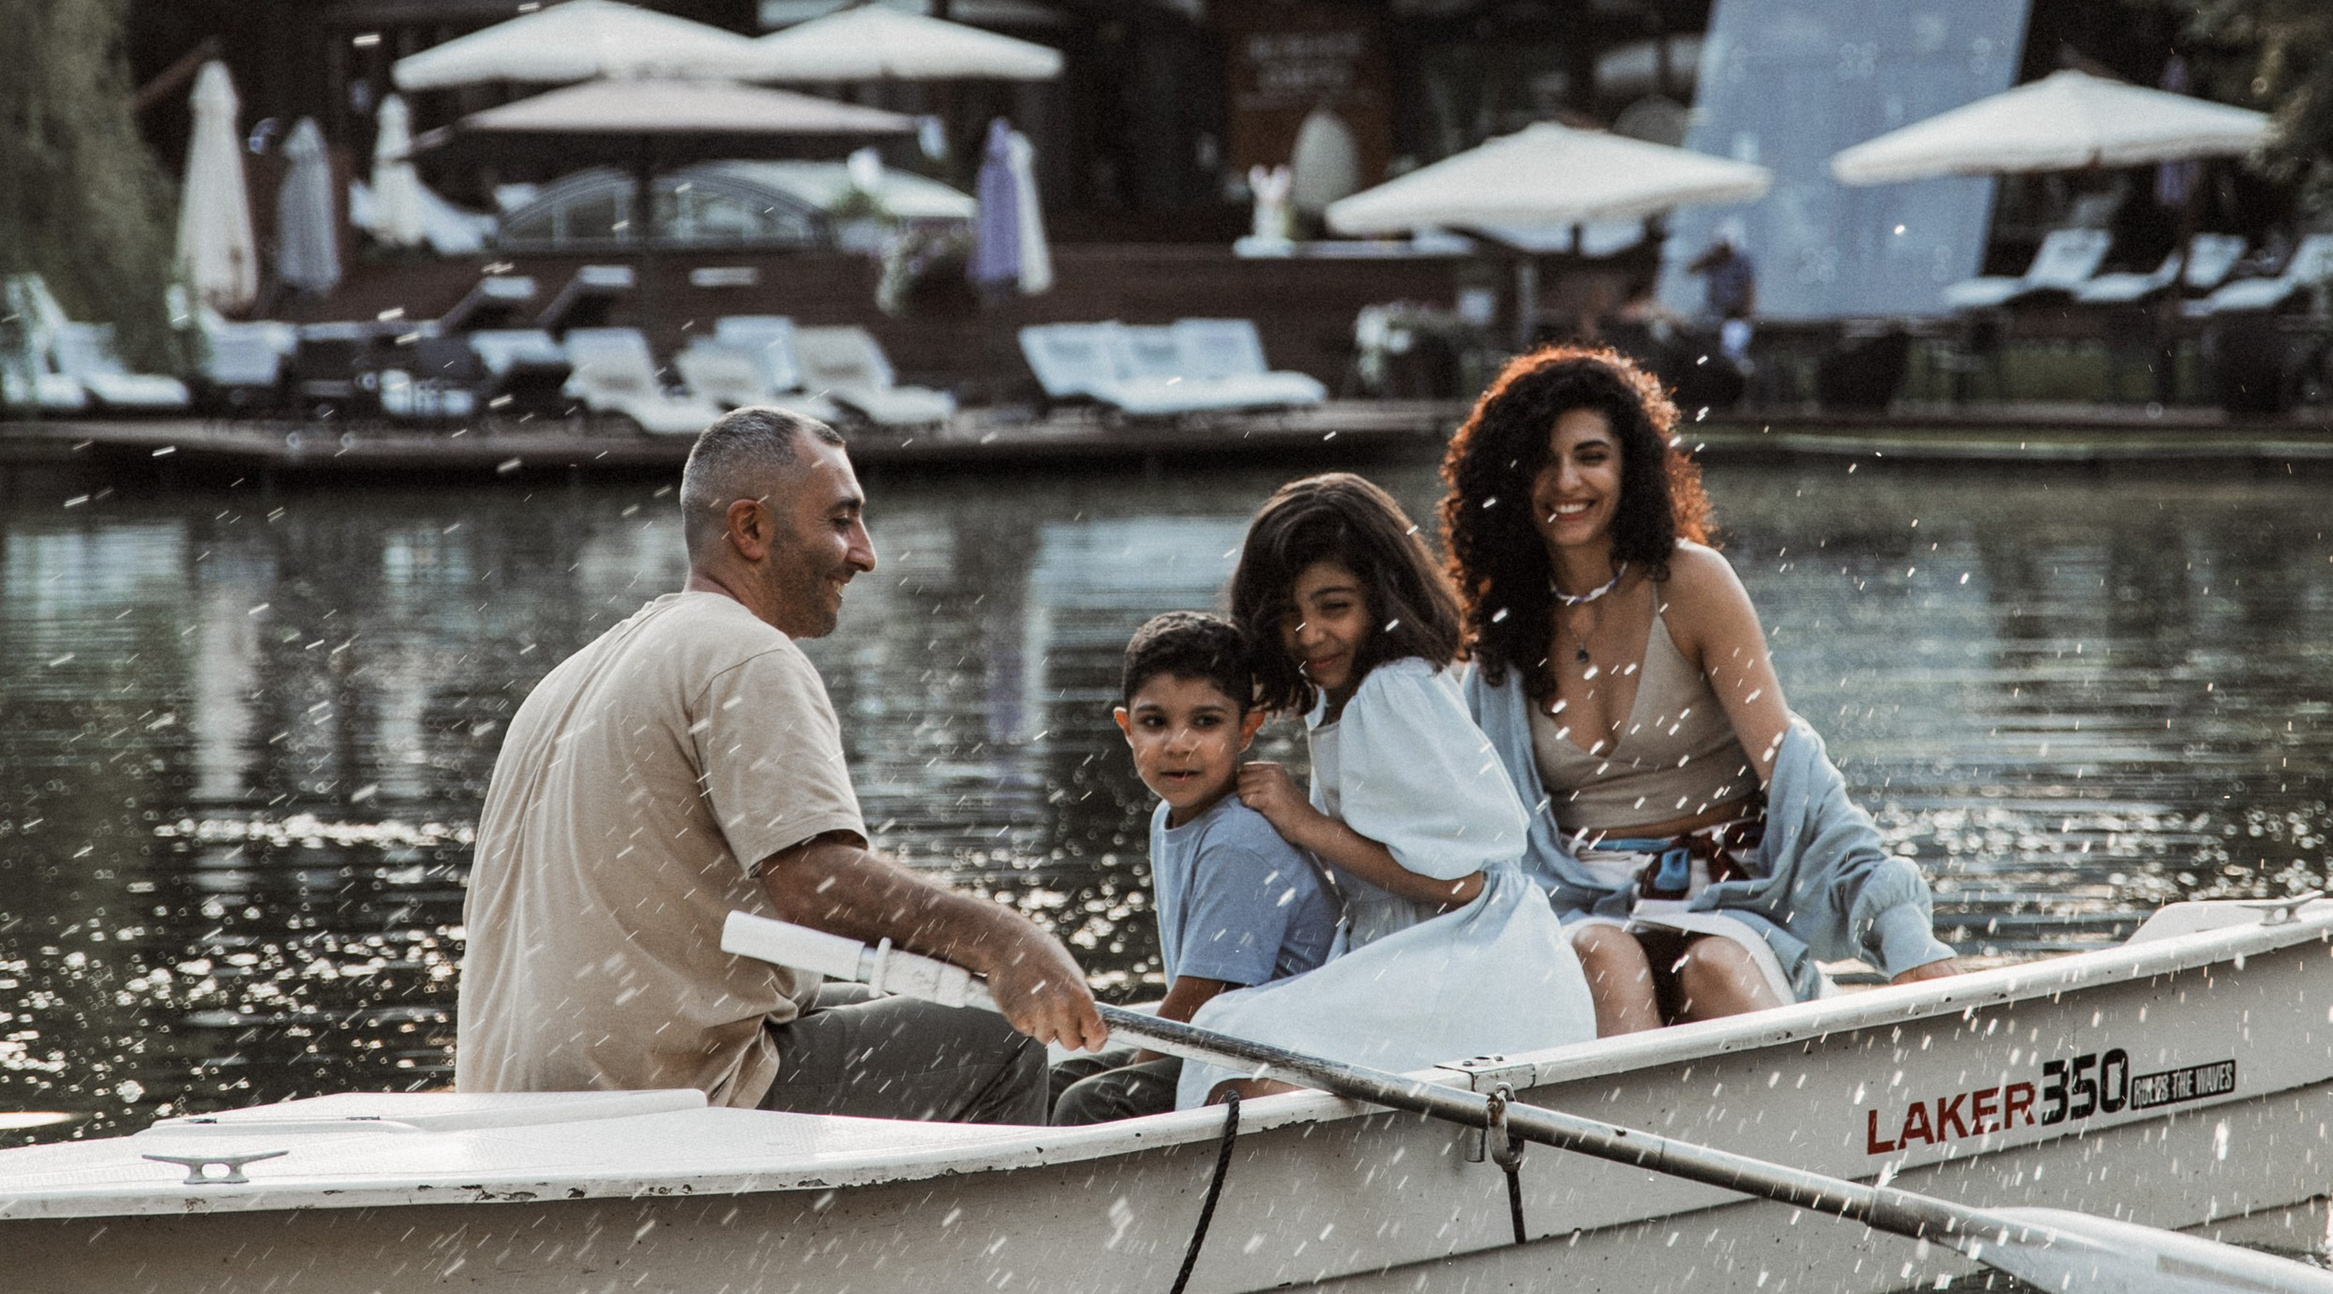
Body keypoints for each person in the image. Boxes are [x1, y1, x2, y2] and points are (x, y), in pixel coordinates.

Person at [457, 405, 1102, 1119]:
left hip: (517, 1100)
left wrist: (971, 959)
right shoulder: (746, 654)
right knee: (998, 1037)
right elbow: (815, 886)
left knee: (934, 989)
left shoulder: (574, 674)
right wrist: (1007, 940)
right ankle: (989, 1229)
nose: (865, 553)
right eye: (840, 520)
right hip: (659, 1104)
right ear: (751, 530)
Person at [1442, 347, 1956, 1037]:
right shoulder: (1499, 628)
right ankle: (1627, 1143)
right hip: (1579, 914)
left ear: (1631, 466)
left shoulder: (1691, 585)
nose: (1565, 481)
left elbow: (1799, 779)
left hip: (1729, 905)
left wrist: (1902, 934)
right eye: (1541, 459)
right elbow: (1482, 833)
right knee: (1604, 959)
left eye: (1591, 455)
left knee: (1709, 971)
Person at [1170, 473, 1591, 1096]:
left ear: (1384, 598)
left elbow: (1461, 881)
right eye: (1288, 615)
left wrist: (1306, 824)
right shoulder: (1343, 698)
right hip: (1428, 953)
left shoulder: (1393, 690)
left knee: (1232, 1043)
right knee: (1229, 1036)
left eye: (1334, 607)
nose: (1309, 635)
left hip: (1480, 964)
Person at [1048, 611, 1340, 1127]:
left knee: (1091, 1102)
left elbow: (1196, 1003)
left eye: (1206, 722)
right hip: (1221, 1039)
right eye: (1155, 722)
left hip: (1272, 1054)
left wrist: (1129, 1072)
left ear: (1248, 728)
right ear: (1126, 728)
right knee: (1058, 1079)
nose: (1178, 743)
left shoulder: (1238, 839)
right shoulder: (1172, 815)